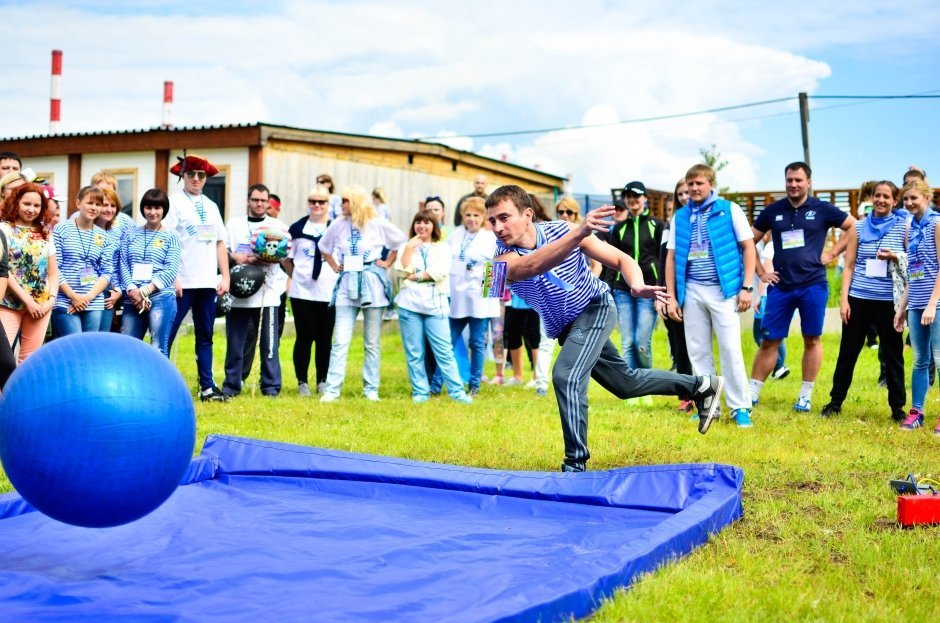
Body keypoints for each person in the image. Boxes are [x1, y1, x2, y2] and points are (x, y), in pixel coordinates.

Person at [487, 185, 724, 472]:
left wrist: (636, 284)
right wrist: (578, 233)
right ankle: (701, 386)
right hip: (565, 327)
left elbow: (623, 259)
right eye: (492, 221)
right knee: (626, 384)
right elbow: (529, 267)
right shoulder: (499, 259)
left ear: (528, 214)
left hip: (595, 308)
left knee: (565, 375)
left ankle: (575, 464)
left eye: (504, 217)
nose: (497, 227)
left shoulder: (564, 228)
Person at [749, 162, 855, 413]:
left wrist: (832, 252)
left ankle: (805, 395)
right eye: (789, 180)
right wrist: (762, 273)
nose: (793, 185)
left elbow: (853, 226)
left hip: (813, 285)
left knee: (812, 339)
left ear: (809, 182)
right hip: (781, 286)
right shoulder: (773, 211)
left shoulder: (822, 209)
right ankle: (751, 393)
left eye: (798, 180)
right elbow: (748, 241)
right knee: (769, 341)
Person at [665, 164, 755, 428]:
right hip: (691, 290)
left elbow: (748, 247)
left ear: (711, 184)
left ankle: (740, 407)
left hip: (723, 290)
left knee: (730, 349)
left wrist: (747, 287)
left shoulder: (729, 210)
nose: (693, 188)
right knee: (698, 351)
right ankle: (709, 406)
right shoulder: (680, 216)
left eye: (699, 183)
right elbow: (671, 257)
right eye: (690, 184)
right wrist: (671, 297)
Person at [820, 181, 906, 421]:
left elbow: (910, 259)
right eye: (877, 195)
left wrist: (895, 256)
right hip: (859, 298)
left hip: (889, 302)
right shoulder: (858, 227)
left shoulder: (903, 226)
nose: (880, 200)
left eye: (886, 196)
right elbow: (848, 266)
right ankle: (835, 402)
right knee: (847, 352)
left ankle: (897, 408)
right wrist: (844, 300)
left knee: (893, 354)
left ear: (894, 201)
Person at [318, 185, 406, 402]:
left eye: (345, 200)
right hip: (347, 281)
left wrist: (387, 262)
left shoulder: (376, 223)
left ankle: (371, 390)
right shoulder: (338, 224)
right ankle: (332, 390)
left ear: (356, 202)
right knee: (340, 339)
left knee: (372, 341)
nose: (341, 204)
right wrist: (334, 265)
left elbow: (399, 239)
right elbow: (324, 246)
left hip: (371, 281)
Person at [164, 153, 231, 402]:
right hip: (181, 282)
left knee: (205, 335)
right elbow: (166, 242)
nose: (195, 178)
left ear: (206, 178)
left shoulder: (211, 206)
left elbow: (220, 243)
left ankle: (207, 387)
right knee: (167, 334)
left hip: (207, 282)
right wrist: (172, 277)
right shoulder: (174, 203)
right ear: (183, 175)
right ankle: (158, 382)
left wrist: (225, 275)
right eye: (190, 173)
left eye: (200, 175)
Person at [394, 210, 471, 404]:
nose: (422, 226)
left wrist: (417, 276)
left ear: (434, 226)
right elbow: (401, 271)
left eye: (427, 222)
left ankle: (457, 392)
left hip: (436, 303)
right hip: (409, 303)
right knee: (414, 351)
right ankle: (420, 391)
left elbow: (441, 271)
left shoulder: (442, 247)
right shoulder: (406, 246)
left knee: (444, 350)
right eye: (418, 222)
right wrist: (410, 248)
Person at [223, 184, 290, 398]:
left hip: (267, 293)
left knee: (269, 343)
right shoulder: (234, 225)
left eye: (263, 200)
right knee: (236, 342)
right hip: (238, 292)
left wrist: (262, 257)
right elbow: (222, 248)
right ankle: (231, 385)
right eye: (255, 200)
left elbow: (283, 253)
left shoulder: (277, 226)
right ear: (248, 201)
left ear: (268, 202)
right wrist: (235, 258)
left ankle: (270, 387)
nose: (259, 204)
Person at [599, 181, 664, 371]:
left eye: (636, 196)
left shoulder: (657, 225)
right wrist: (608, 287)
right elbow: (612, 261)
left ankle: (647, 386)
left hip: (648, 289)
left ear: (644, 198)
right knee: (627, 342)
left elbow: (663, 258)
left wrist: (661, 287)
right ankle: (632, 394)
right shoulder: (618, 229)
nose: (632, 200)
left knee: (641, 341)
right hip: (622, 291)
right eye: (628, 196)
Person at [894, 179, 940, 434]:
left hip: (937, 304)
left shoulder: (936, 223)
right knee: (920, 360)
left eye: (914, 198)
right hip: (917, 304)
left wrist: (933, 304)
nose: (909, 203)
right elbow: (915, 273)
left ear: (926, 197)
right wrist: (902, 308)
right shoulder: (910, 227)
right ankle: (917, 412)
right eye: (906, 200)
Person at [284, 186, 338, 396]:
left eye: (321, 202)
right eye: (313, 201)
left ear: (328, 204)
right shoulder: (297, 229)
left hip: (327, 291)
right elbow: (287, 258)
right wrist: (296, 276)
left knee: (325, 338)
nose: (317, 205)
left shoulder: (335, 227)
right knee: (304, 337)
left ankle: (322, 379)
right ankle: (302, 381)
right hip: (303, 292)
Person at [118, 189, 181, 357]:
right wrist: (133, 291)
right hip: (133, 299)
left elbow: (171, 270)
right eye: (148, 207)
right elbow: (123, 263)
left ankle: (160, 383)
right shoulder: (130, 234)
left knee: (157, 348)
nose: (153, 212)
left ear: (164, 210)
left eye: (157, 208)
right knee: (127, 347)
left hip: (160, 297)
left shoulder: (171, 236)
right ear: (143, 209)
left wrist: (144, 292)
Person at [447, 196, 499, 396]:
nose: (471, 219)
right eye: (468, 214)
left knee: (477, 342)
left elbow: (496, 269)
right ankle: (438, 383)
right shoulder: (455, 235)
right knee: (448, 340)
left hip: (480, 298)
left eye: (476, 215)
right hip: (457, 296)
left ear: (483, 217)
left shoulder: (490, 237)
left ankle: (474, 385)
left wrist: (491, 297)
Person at [0, 183, 58, 362]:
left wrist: (51, 300)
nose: (31, 209)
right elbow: (4, 270)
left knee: (29, 361)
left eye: (36, 205)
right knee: (4, 360)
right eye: (27, 204)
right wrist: (27, 301)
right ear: (16, 203)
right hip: (8, 303)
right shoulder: (4, 229)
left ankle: (23, 392)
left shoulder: (46, 232)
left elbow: (53, 272)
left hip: (41, 306)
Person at [51, 186, 116, 335]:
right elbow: (55, 268)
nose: (94, 208)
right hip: (65, 299)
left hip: (93, 301)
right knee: (74, 345)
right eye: (90, 203)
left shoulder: (104, 236)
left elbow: (106, 272)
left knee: (89, 347)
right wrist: (73, 296)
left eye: (98, 204)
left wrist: (87, 298)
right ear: (78, 203)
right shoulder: (61, 229)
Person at [657, 178, 695, 412]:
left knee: (698, 347)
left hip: (701, 290)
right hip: (677, 293)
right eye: (679, 194)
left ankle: (709, 389)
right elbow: (665, 259)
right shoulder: (672, 223)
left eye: (686, 193)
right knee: (680, 346)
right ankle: (686, 395)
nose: (683, 197)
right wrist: (663, 295)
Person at [752, 232, 789, 380]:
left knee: (758, 334)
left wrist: (759, 297)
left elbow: (766, 274)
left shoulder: (770, 246)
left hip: (767, 296)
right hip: (781, 295)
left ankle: (779, 366)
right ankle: (779, 368)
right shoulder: (784, 244)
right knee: (777, 335)